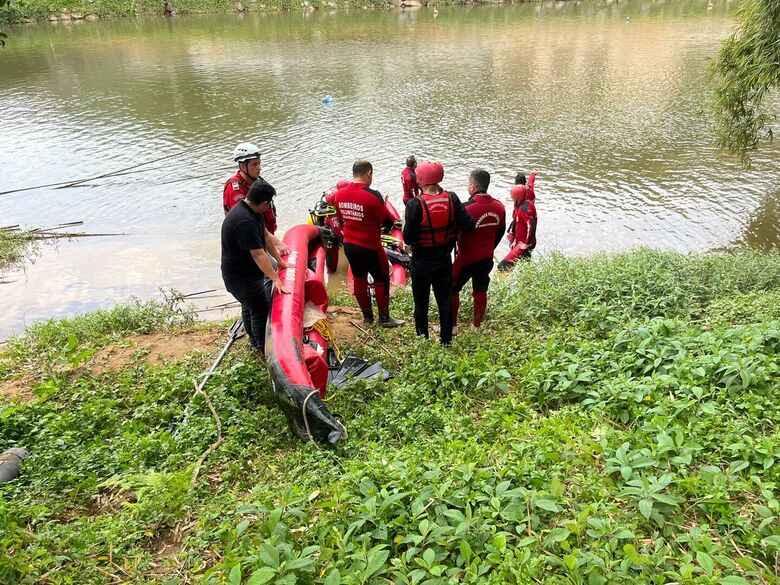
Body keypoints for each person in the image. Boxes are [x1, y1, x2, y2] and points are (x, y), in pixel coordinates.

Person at [403, 161, 475, 346]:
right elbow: (468, 224)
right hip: (444, 261)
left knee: (421, 305)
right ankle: (446, 341)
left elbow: (408, 238)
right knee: (444, 302)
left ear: (421, 180)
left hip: (421, 263)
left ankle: (423, 340)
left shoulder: (414, 204)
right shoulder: (452, 198)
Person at [333, 160, 405, 328]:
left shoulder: (339, 195)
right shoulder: (373, 195)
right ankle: (384, 318)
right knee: (381, 279)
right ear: (369, 173)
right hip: (370, 246)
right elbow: (388, 222)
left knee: (359, 279)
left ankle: (367, 317)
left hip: (350, 245)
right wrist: (383, 205)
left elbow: (342, 218)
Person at [221, 180, 289, 355]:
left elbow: (266, 236)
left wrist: (280, 262)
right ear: (264, 203)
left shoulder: (252, 210)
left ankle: (253, 339)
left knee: (249, 307)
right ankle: (261, 348)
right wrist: (276, 278)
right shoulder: (244, 221)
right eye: (269, 204)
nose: (269, 208)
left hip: (247, 274)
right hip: (240, 278)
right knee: (259, 310)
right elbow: (258, 254)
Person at [451, 169, 506, 334]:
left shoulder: (465, 208)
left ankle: (452, 327)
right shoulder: (500, 207)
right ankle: (476, 326)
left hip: (466, 258)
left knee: (451, 288)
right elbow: (500, 232)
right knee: (480, 290)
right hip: (486, 258)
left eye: (469, 184)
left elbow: (453, 233)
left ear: (473, 187)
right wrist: (489, 248)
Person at [222, 142, 291, 256]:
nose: (259, 168)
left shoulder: (255, 181)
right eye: (254, 164)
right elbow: (247, 221)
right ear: (243, 166)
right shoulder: (235, 189)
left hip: (262, 239)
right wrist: (277, 243)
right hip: (250, 245)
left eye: (259, 163)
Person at [498, 172, 537, 271]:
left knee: (502, 267)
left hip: (523, 243)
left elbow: (532, 226)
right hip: (521, 239)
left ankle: (506, 284)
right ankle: (525, 281)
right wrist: (514, 237)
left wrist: (526, 244)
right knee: (525, 265)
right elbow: (531, 183)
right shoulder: (520, 204)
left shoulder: (525, 208)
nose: (511, 195)